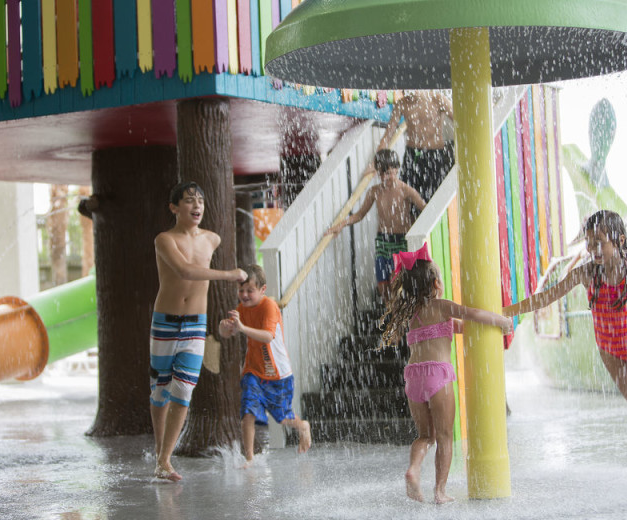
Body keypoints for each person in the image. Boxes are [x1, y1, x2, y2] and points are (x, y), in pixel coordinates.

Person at [503, 210, 627, 489]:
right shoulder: (587, 273)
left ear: (620, 240)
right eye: (589, 242)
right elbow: (548, 296)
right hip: (609, 349)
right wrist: (510, 312)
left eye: (599, 242)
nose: (593, 249)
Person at [381, 244, 513, 504]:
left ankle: (414, 470)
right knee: (444, 436)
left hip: (413, 376)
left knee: (425, 436)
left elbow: (455, 328)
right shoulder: (442, 306)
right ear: (435, 284)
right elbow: (473, 314)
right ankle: (440, 491)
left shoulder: (411, 313)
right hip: (437, 375)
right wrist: (501, 322)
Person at [150, 181, 248, 482]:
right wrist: (229, 274)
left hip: (196, 324)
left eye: (200, 201)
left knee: (184, 389)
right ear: (174, 207)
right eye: (189, 201)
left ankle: (165, 461)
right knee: (160, 390)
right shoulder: (164, 239)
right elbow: (185, 271)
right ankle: (160, 452)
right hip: (164, 322)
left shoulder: (212, 239)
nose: (197, 206)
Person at [218, 264, 312, 467]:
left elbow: (268, 336)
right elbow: (228, 332)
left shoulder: (269, 306)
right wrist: (224, 328)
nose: (244, 295)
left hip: (278, 373)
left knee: (282, 418)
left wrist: (242, 327)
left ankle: (302, 426)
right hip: (253, 370)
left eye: (249, 290)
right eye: (241, 290)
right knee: (248, 410)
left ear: (262, 289)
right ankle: (249, 457)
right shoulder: (242, 308)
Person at [325, 149, 426, 304]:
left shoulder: (406, 190)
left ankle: (401, 312)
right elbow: (359, 214)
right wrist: (341, 224)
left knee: (396, 279)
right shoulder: (375, 191)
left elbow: (425, 208)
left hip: (401, 240)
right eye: (385, 174)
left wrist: (418, 226)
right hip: (383, 240)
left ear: (397, 169)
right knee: (382, 284)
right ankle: (391, 313)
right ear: (378, 173)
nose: (389, 177)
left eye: (393, 172)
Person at [377, 90, 455, 203]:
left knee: (434, 195)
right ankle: (413, 219)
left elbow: (460, 122)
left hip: (435, 155)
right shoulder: (402, 104)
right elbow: (387, 136)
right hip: (412, 155)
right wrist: (377, 162)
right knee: (407, 197)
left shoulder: (438, 99)